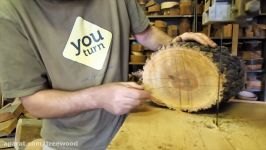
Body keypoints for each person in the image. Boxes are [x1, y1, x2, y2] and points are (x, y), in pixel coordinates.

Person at [0, 0, 216, 149]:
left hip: (129, 130)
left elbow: (145, 33)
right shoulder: (9, 12)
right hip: (71, 143)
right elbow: (34, 102)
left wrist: (176, 47)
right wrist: (99, 97)